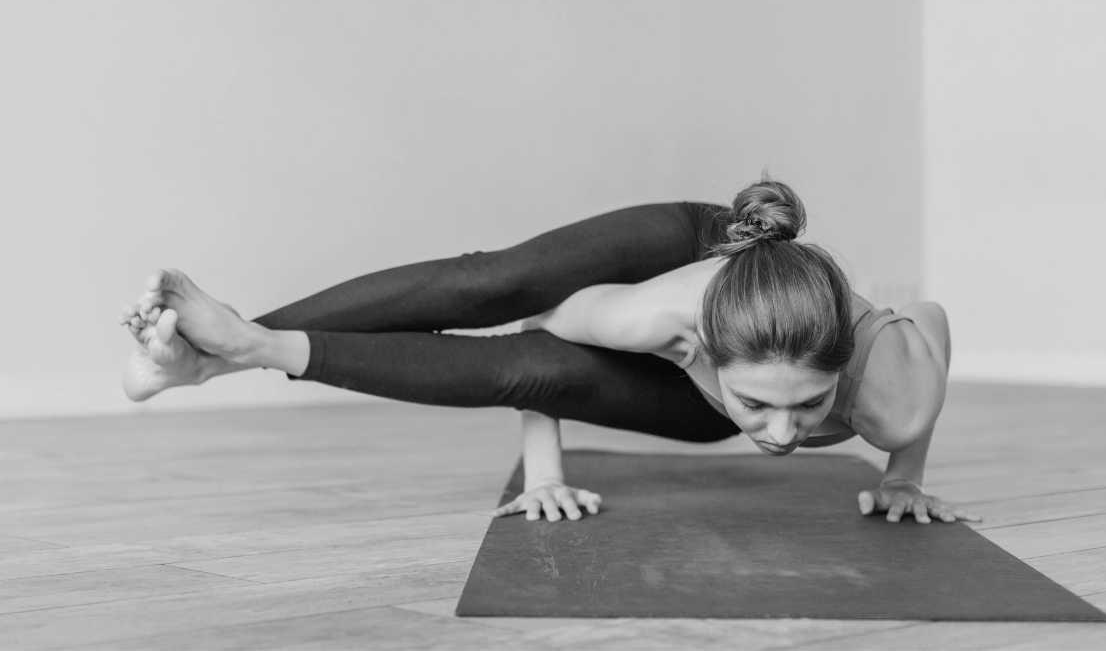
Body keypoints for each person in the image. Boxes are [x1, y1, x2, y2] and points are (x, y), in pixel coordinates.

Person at [119, 178, 979, 526]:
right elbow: (535, 333)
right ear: (705, 351)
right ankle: (232, 345)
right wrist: (543, 468)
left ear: (843, 373)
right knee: (494, 285)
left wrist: (903, 474)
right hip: (671, 255)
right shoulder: (656, 315)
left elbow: (929, 317)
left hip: (734, 362)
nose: (785, 436)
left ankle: (207, 353)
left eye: (808, 404)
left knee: (525, 347)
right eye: (760, 405)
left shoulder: (900, 391)